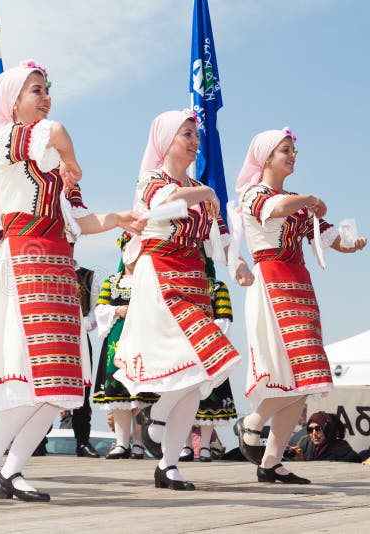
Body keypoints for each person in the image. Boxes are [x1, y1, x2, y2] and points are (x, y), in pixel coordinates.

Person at [0, 60, 144, 502]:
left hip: (59, 268)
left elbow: (81, 220)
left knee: (63, 384)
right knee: (32, 373)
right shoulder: (7, 139)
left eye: (47, 90)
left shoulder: (52, 164)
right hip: (26, 262)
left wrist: (120, 217)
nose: (45, 98)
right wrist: (70, 158)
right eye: (35, 90)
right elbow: (57, 132)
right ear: (12, 101)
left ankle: (11, 468)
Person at [114, 110, 253, 491]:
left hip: (194, 283)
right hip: (160, 279)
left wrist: (238, 265)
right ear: (165, 141)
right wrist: (206, 191)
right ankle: (158, 417)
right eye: (187, 134)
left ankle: (168, 461)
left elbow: (221, 239)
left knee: (196, 377)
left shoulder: (199, 189)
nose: (194, 141)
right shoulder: (151, 180)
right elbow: (164, 202)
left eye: (195, 135)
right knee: (209, 358)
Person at [234, 127, 367, 484]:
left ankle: (270, 461)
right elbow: (274, 209)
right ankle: (251, 422)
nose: (292, 156)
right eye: (285, 151)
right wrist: (310, 198)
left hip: (299, 284)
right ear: (265, 157)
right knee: (294, 371)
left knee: (306, 379)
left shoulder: (296, 200)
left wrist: (350, 245)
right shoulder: (253, 194)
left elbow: (326, 235)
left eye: (293, 150)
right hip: (273, 282)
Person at [92, 232, 157, 460]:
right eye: (126, 251)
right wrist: (117, 310)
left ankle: (139, 443)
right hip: (117, 342)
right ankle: (122, 443)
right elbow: (99, 310)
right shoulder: (112, 281)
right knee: (118, 393)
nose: (130, 257)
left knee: (139, 394)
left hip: (141, 340)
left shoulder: (150, 281)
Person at [182, 256, 238, 462]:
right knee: (183, 397)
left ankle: (205, 446)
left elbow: (224, 318)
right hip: (185, 349)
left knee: (210, 401)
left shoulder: (217, 287)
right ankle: (186, 446)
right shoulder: (181, 284)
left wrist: (204, 337)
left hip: (210, 348)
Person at [72, 260, 100, 458]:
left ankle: (82, 441)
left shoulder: (87, 275)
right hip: (51, 334)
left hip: (79, 337)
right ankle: (39, 440)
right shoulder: (48, 270)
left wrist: (78, 323)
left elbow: (94, 312)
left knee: (83, 388)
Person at [288, 412, 361, 462]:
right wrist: (300, 460)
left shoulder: (347, 455)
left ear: (329, 430)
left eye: (318, 428)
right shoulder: (307, 449)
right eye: (310, 429)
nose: (314, 433)